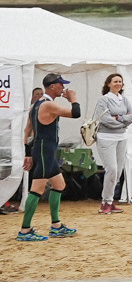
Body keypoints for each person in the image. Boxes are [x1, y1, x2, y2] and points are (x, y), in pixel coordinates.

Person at [16, 73, 79, 241]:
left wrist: (28, 153)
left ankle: (56, 226)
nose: (63, 88)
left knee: (59, 184)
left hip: (43, 150)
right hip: (44, 151)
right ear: (52, 86)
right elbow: (76, 113)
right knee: (37, 189)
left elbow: (27, 130)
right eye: (60, 85)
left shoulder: (37, 104)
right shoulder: (48, 105)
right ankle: (25, 230)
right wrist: (73, 98)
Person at [93, 71, 132, 213]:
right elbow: (105, 119)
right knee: (112, 169)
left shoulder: (125, 100)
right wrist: (122, 122)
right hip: (106, 138)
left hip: (121, 138)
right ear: (109, 84)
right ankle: (105, 203)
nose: (118, 84)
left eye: (120, 81)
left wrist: (118, 118)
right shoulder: (103, 100)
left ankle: (110, 200)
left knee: (118, 170)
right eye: (115, 81)